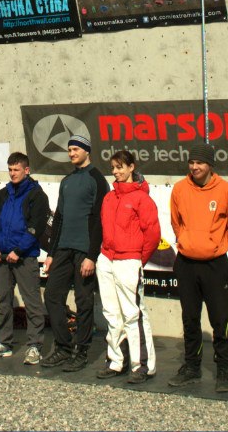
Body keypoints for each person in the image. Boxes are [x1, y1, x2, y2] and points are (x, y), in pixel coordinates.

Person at [168, 143, 228, 392]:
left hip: (215, 265)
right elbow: (176, 223)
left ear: (210, 165)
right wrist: (187, 242)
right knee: (190, 318)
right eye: (192, 162)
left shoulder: (226, 190)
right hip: (186, 263)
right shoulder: (179, 189)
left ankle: (224, 369)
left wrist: (218, 246)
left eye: (200, 163)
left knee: (220, 319)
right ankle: (192, 367)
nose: (195, 167)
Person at [40, 133, 109, 373]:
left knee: (83, 301)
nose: (71, 154)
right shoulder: (67, 181)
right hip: (62, 250)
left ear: (86, 151)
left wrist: (92, 255)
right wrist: (50, 252)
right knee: (51, 296)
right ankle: (63, 347)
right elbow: (58, 218)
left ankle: (81, 350)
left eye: (76, 150)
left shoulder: (97, 179)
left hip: (84, 252)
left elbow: (101, 220)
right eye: (69, 150)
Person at [96, 150, 160, 384]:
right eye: (113, 167)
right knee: (112, 314)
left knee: (133, 314)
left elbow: (153, 234)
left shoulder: (143, 199)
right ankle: (116, 361)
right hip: (106, 259)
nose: (115, 172)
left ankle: (142, 366)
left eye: (120, 167)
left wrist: (136, 259)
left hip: (128, 261)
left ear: (131, 167)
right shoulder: (109, 198)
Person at [0, 151, 49, 364]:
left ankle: (34, 345)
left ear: (26, 170)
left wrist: (18, 251)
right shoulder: (3, 194)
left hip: (25, 258)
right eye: (10, 170)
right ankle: (3, 341)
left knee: (32, 303)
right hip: (1, 257)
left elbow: (35, 228)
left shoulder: (37, 195)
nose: (12, 174)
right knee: (3, 301)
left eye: (16, 170)